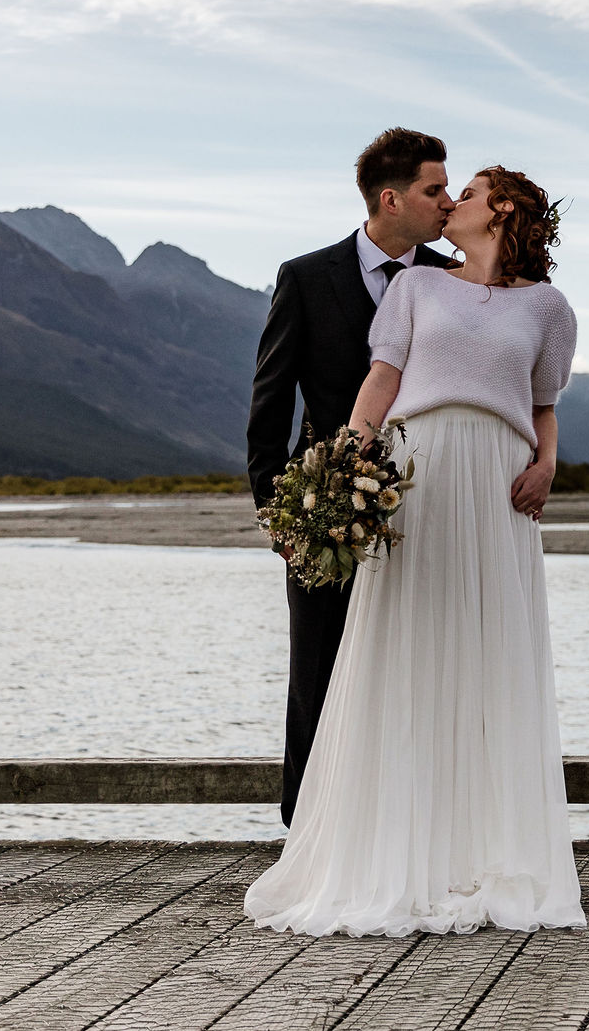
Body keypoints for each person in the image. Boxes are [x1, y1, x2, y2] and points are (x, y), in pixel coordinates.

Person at [245, 165, 587, 937]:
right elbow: (379, 383)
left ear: (503, 210)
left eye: (467, 192)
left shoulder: (549, 309)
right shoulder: (417, 291)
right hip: (421, 476)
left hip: (497, 489)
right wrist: (341, 465)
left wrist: (549, 462)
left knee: (488, 657)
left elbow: (543, 405)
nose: (452, 202)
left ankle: (482, 849)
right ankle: (391, 852)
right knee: (406, 651)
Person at [248, 129, 456, 828]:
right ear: (390, 199)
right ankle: (307, 827)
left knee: (417, 669)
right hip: (326, 510)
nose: (447, 202)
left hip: (430, 510)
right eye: (434, 189)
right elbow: (269, 407)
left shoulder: (452, 278)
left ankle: (408, 827)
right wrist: (280, 522)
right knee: (319, 671)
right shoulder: (306, 278)